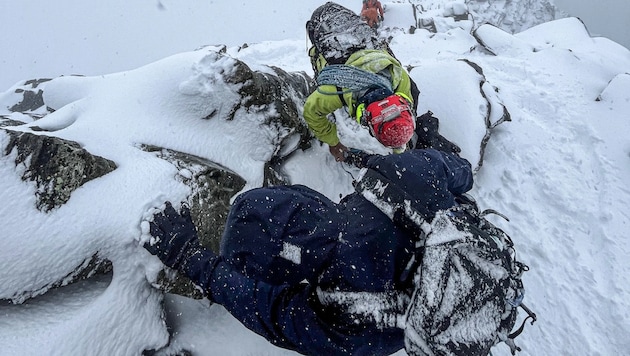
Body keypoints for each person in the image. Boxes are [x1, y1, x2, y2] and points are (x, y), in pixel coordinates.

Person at [143, 148, 475, 356]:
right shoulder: (412, 173)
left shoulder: (351, 311)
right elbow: (461, 172)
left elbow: (269, 310)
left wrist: (188, 256)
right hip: (410, 304)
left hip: (374, 317)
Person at [304, 2, 419, 162]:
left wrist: (399, 147)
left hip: (347, 21)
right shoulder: (337, 90)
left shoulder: (397, 76)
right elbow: (311, 112)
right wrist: (333, 142)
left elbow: (395, 119)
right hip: (320, 23)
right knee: (320, 56)